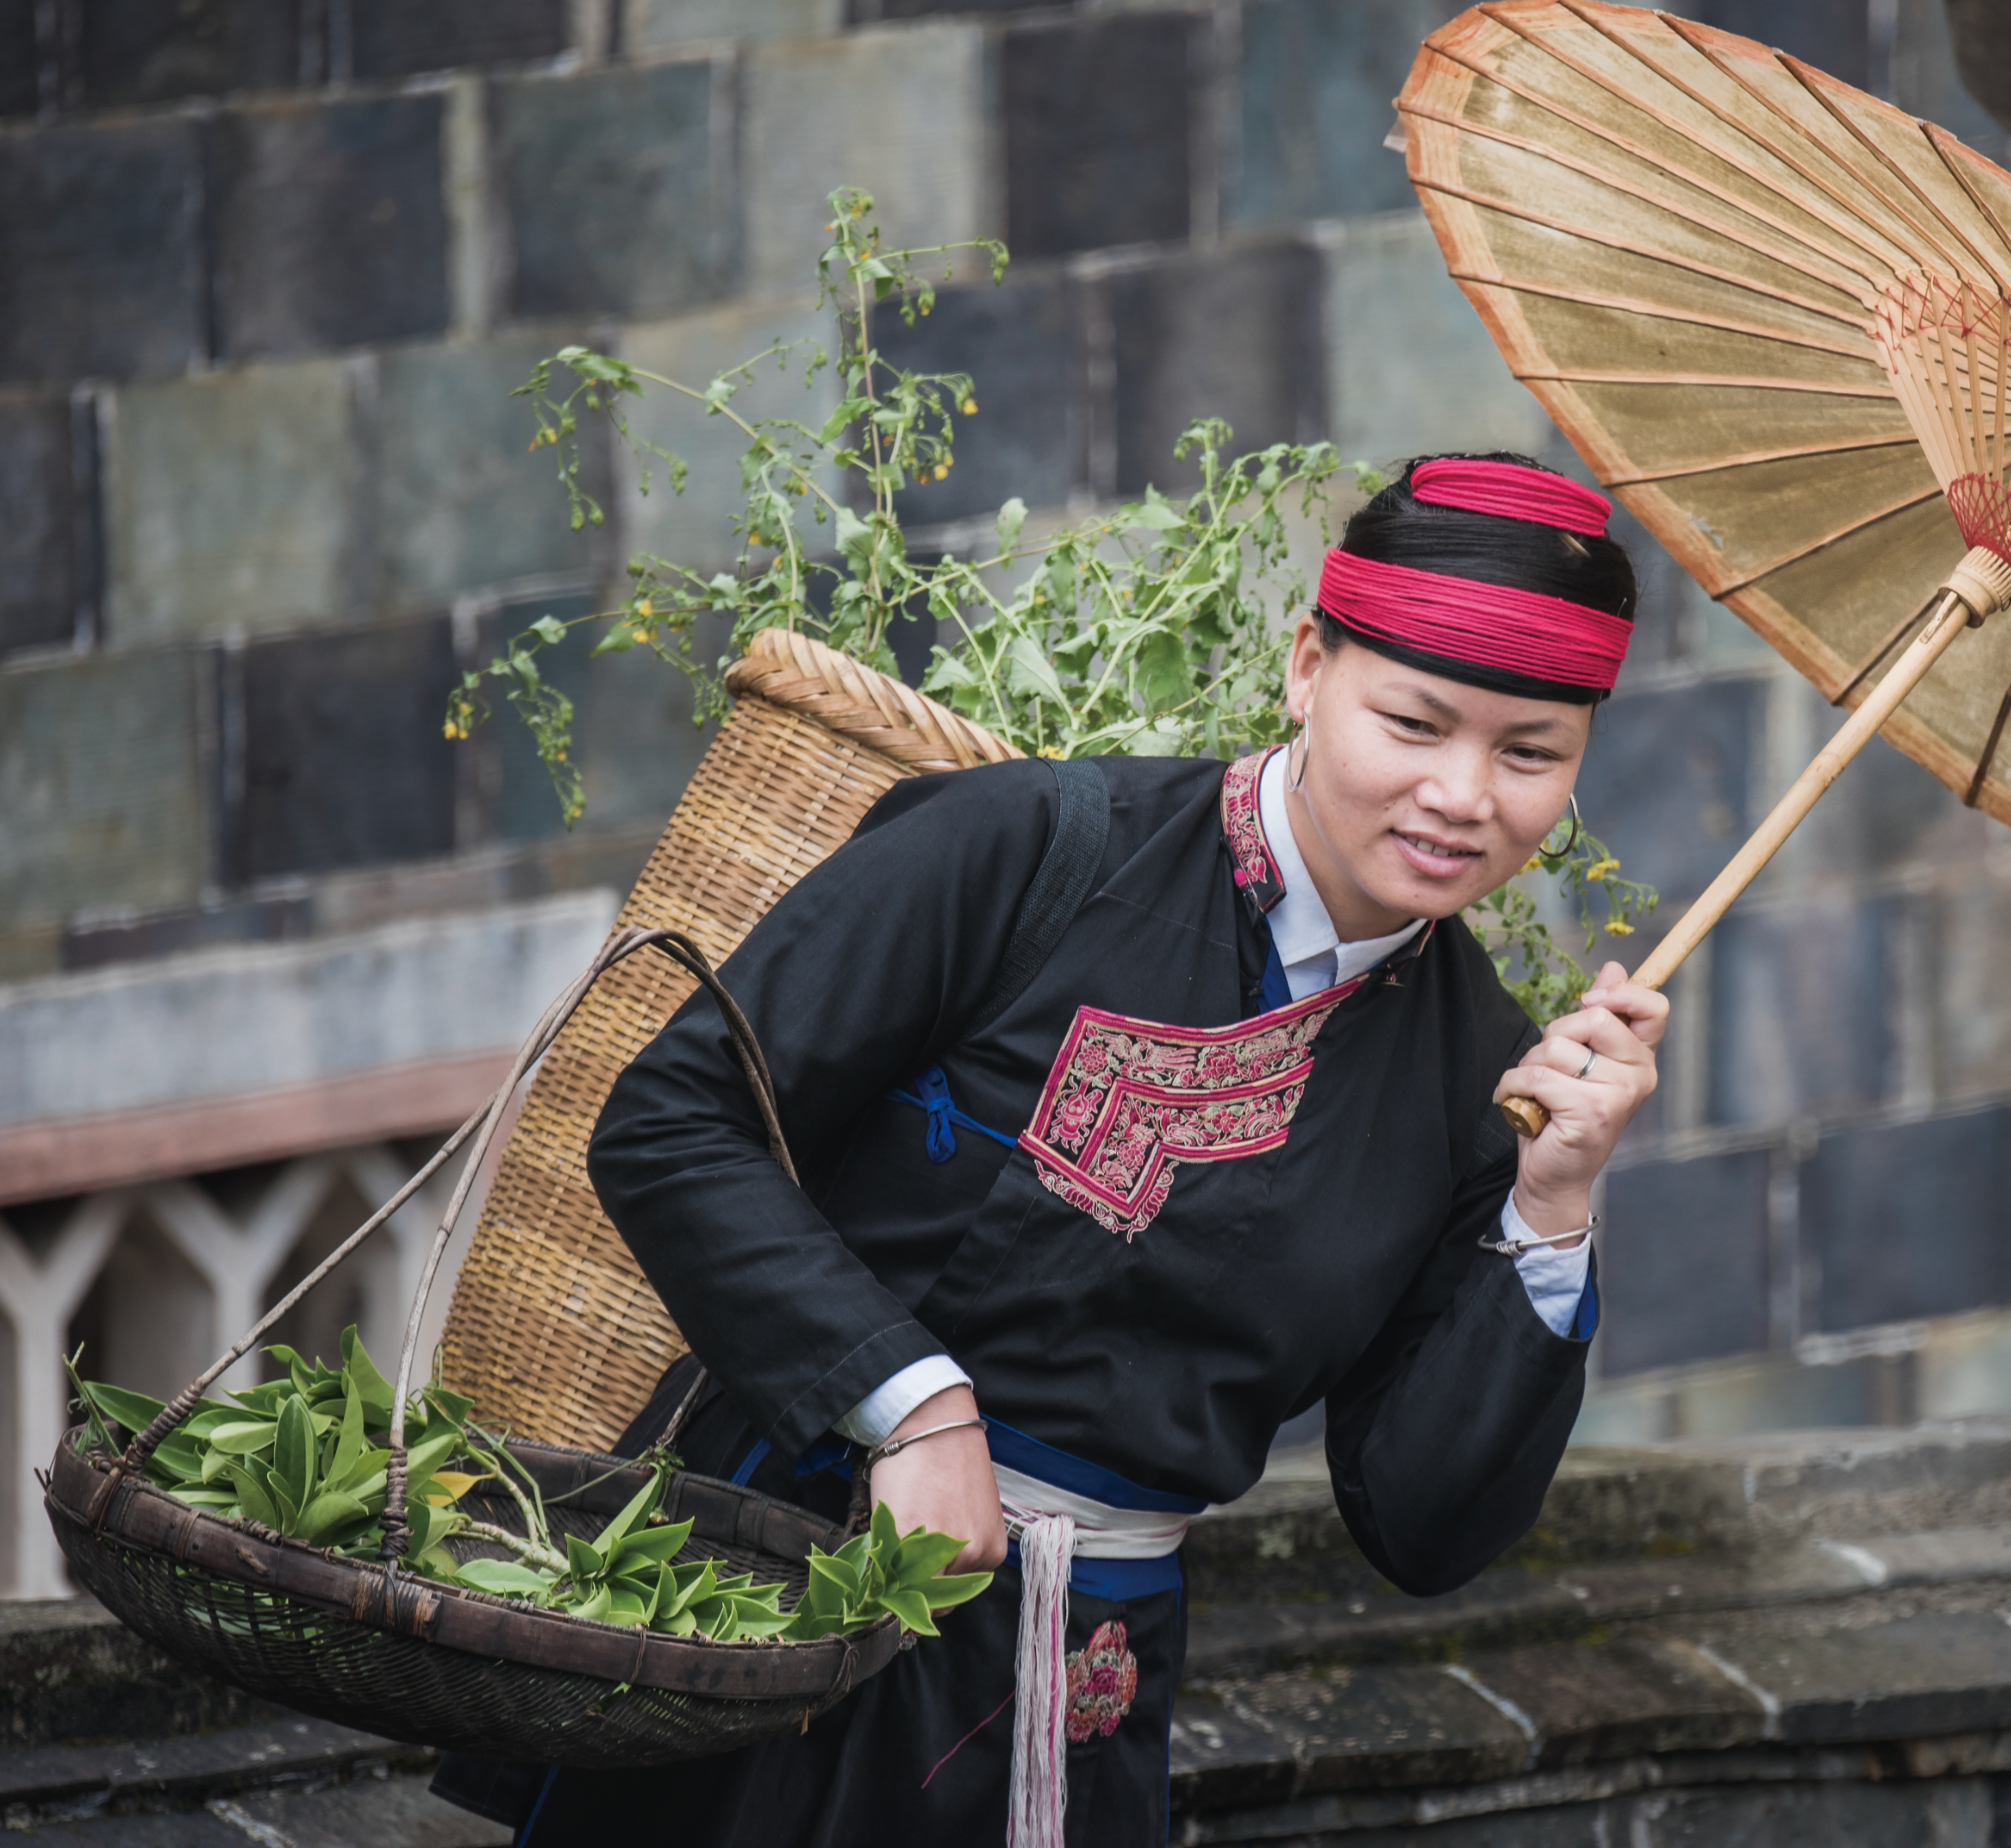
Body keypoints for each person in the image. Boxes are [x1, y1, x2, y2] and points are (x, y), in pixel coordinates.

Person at [486, 454, 1664, 1846]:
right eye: (1414, 723)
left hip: (1085, 1692)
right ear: (1307, 666)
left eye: (1531, 753)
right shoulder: (1029, 846)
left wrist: (1551, 1207)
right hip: (781, 1597)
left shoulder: (1486, 1079)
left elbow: (1422, 1524)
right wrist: (912, 1405)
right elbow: (673, 1119)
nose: (1466, 795)